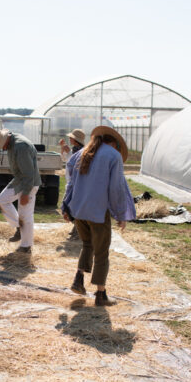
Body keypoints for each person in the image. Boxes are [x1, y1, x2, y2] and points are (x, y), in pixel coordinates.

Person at [61, 126, 136, 306]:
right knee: (101, 252)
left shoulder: (82, 153)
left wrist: (65, 205)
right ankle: (101, 295)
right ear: (114, 143)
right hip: (98, 212)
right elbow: (116, 188)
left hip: (78, 210)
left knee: (87, 244)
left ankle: (78, 280)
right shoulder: (113, 155)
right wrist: (120, 213)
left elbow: (70, 183)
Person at [0, 128, 41, 254]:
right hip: (19, 180)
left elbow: (29, 173)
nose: (1, 149)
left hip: (29, 182)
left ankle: (26, 246)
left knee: (25, 214)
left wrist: (26, 193)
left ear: (4, 139)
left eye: (0, 146)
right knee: (1, 200)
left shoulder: (21, 146)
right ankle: (18, 227)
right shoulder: (12, 142)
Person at [59, 129, 86, 240]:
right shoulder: (76, 150)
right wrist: (64, 149)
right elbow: (66, 159)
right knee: (72, 205)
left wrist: (67, 150)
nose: (69, 139)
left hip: (76, 183)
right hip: (72, 182)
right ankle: (76, 229)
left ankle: (79, 230)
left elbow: (72, 163)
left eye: (71, 138)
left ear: (75, 140)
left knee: (73, 205)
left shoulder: (81, 152)